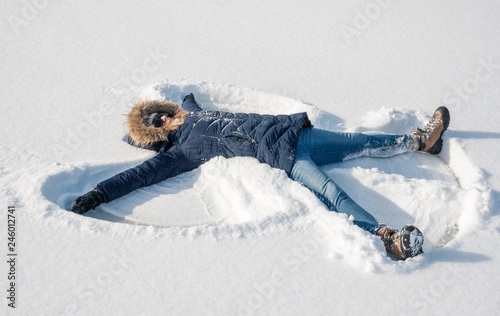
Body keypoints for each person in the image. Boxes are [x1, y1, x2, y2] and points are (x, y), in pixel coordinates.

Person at [71, 93, 450, 260]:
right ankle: (387, 238)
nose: (165, 119)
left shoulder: (191, 113)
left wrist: (185, 100)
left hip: (294, 133)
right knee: (331, 194)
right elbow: (139, 175)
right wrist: (100, 194)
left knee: (360, 140)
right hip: (281, 156)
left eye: (161, 113)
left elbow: (189, 102)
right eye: (157, 123)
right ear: (158, 133)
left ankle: (419, 141)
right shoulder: (179, 152)